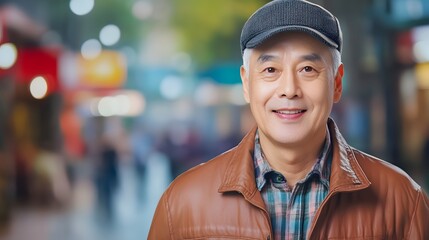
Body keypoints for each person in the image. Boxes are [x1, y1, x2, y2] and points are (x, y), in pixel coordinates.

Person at [148, 0, 429, 239]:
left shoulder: (403, 200)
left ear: (337, 82)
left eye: (308, 69)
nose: (289, 89)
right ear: (247, 84)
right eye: (270, 69)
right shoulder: (183, 204)